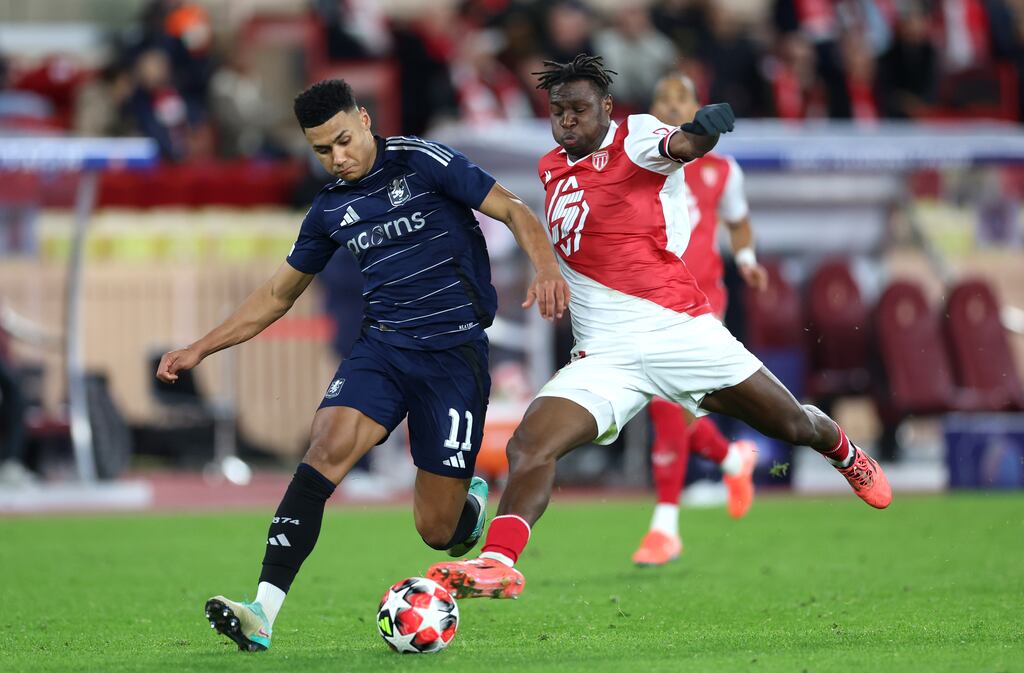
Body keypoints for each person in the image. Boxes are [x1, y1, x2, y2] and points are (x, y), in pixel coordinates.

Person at [428, 54, 891, 600]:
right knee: (530, 444)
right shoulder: (551, 167)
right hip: (604, 357)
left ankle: (840, 447)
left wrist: (702, 131)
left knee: (791, 426)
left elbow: (681, 147)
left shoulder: (635, 137)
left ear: (606, 107)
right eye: (558, 111)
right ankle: (498, 562)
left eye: (579, 109)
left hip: (680, 333)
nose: (568, 120)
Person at [155, 79, 568, 651]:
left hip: (454, 357)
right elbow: (277, 296)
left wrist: (546, 267)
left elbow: (514, 209)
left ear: (366, 121)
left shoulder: (423, 162)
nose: (337, 158)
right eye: (322, 150)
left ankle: (465, 509)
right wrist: (202, 346)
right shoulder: (329, 209)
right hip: (384, 350)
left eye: (344, 141)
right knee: (323, 452)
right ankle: (262, 613)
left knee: (436, 531)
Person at [632, 73, 768, 567]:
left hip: (702, 298)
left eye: (681, 98)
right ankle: (734, 458)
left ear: (696, 106)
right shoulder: (638, 161)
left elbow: (738, 220)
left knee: (668, 406)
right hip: (647, 296)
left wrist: (747, 257)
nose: (671, 104)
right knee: (670, 403)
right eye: (662, 98)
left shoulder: (721, 170)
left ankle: (665, 525)